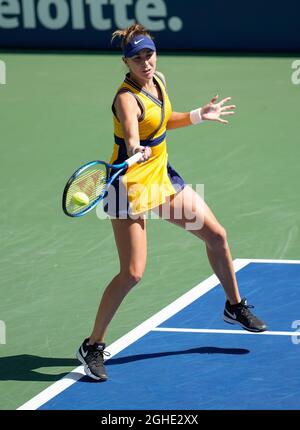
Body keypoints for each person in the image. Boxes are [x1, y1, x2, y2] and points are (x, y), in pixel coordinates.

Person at [76, 24, 267, 381]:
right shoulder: (125, 98)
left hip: (161, 182)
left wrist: (197, 115)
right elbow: (134, 134)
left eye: (148, 53)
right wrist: (135, 150)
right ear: (126, 62)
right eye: (136, 57)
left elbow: (163, 122)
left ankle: (234, 306)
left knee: (216, 236)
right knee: (132, 273)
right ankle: (92, 346)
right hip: (128, 191)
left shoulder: (159, 80)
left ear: (155, 53)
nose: (145, 61)